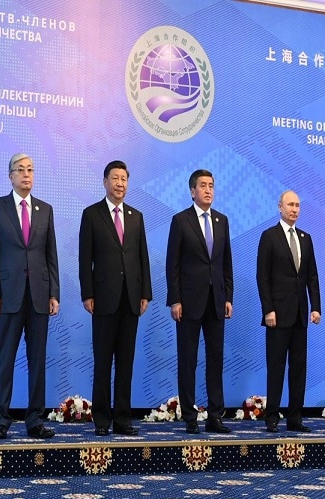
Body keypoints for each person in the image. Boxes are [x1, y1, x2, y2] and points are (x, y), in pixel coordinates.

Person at [0, 153, 60, 440]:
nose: (26, 174)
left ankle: (34, 420)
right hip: (9, 294)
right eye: (21, 170)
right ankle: (2, 419)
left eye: (30, 169)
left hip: (39, 295)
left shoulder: (45, 209)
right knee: (5, 358)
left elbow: (50, 255)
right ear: (10, 176)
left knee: (37, 359)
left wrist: (54, 292)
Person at [79, 160, 152, 436]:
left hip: (131, 298)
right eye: (115, 178)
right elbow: (85, 260)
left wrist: (145, 292)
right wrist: (88, 293)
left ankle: (123, 418)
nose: (120, 183)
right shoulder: (92, 214)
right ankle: (101, 419)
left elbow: (142, 256)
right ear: (105, 182)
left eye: (124, 179)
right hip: (103, 298)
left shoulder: (136, 216)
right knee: (102, 361)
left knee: (126, 361)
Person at [166, 169, 233, 434]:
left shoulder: (221, 220)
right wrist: (175, 300)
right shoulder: (180, 220)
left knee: (216, 359)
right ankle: (190, 416)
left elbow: (226, 262)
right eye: (203, 186)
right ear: (192, 190)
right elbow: (173, 264)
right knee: (188, 360)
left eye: (211, 186)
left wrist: (228, 296)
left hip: (216, 300)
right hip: (189, 302)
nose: (208, 190)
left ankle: (215, 416)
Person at [257, 190, 320, 433]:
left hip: (300, 314)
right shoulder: (269, 236)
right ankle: (272, 416)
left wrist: (315, 307)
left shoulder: (306, 238)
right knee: (276, 367)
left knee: (298, 367)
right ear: (280, 207)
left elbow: (311, 276)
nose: (294, 209)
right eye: (290, 205)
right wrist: (268, 309)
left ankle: (295, 417)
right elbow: (262, 276)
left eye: (297, 205)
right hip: (277, 315)